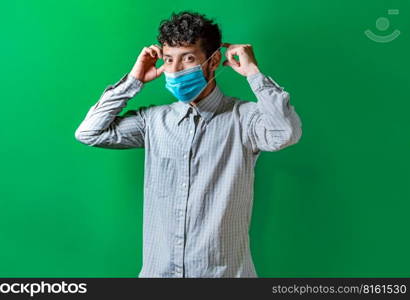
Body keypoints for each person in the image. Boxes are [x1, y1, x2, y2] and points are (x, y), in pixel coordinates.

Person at [75, 11, 302, 278]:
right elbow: (89, 132)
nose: (174, 70)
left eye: (188, 59)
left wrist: (253, 73)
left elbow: (285, 132)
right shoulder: (153, 121)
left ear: (214, 60)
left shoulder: (245, 119)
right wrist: (133, 81)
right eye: (169, 59)